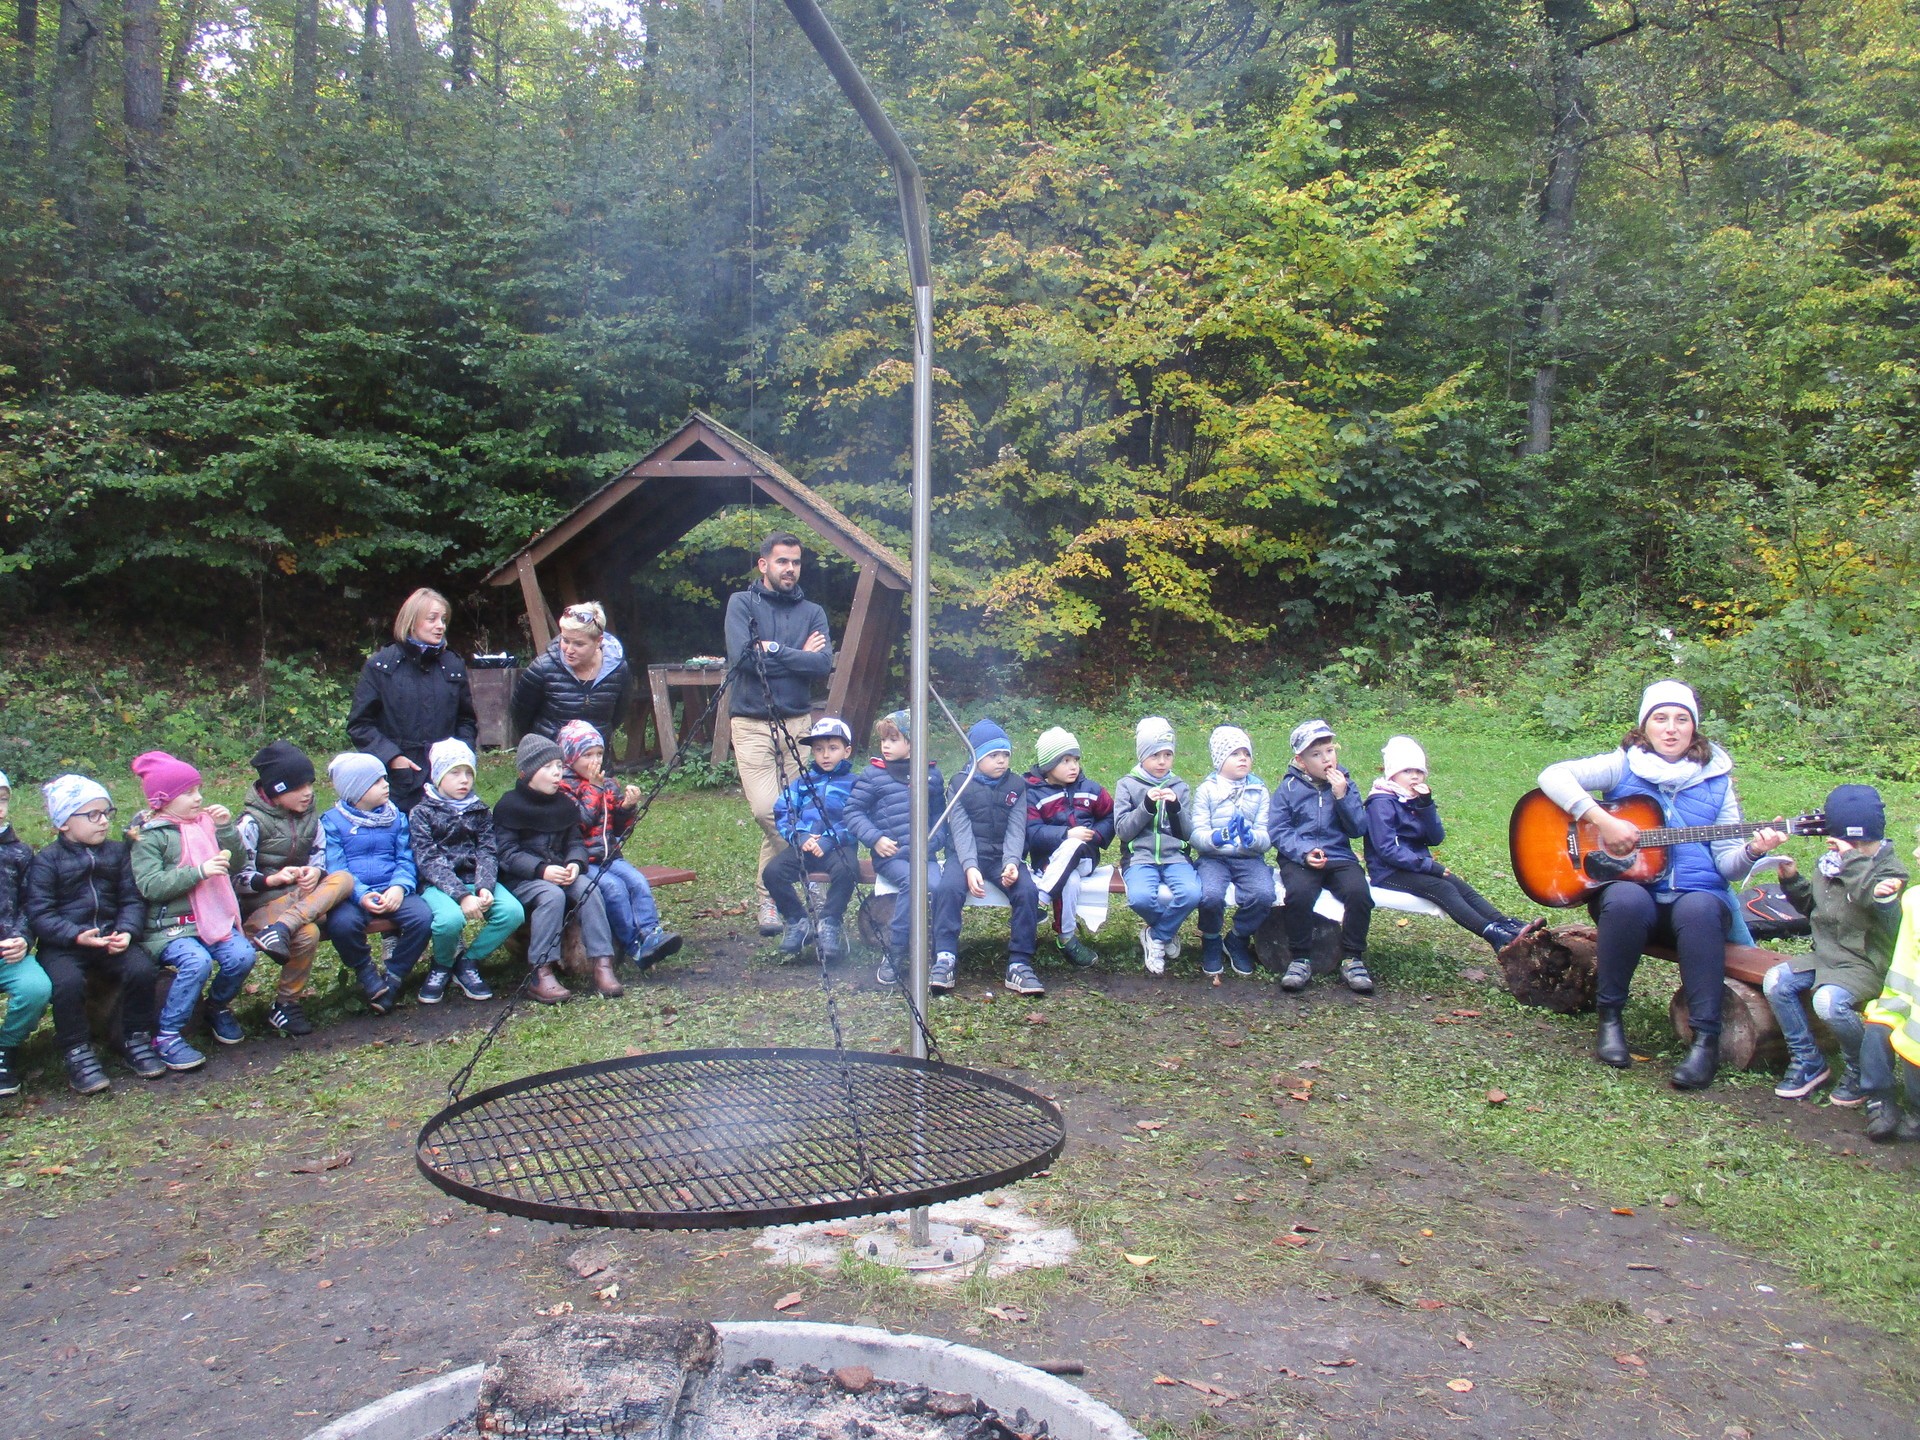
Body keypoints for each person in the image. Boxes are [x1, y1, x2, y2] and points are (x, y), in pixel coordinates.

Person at [1538, 679, 1785, 1090]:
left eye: (1681, 719)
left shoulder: (1717, 780)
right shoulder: (1622, 765)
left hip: (1694, 902)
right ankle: (1610, 1019)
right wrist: (1602, 820)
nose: (1671, 728)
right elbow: (1553, 775)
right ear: (1645, 725)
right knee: (1626, 899)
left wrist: (1753, 851)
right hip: (1636, 903)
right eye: (1661, 718)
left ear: (1694, 727)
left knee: (1700, 908)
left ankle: (1705, 1040)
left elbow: (1727, 865)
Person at [1763, 785, 1906, 1103]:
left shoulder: (1890, 871)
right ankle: (1808, 1060)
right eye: (1847, 842)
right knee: (1776, 981)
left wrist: (1850, 857)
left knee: (1828, 1002)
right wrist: (1791, 879)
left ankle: (1861, 1069)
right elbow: (1814, 910)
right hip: (1827, 957)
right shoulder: (1829, 864)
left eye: (1860, 843)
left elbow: (1868, 895)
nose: (1851, 849)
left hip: (1866, 963)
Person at [25, 775, 164, 1093]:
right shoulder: (47, 861)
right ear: (64, 823)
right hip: (63, 945)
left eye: (106, 813)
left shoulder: (117, 854)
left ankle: (136, 1038)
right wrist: (75, 935)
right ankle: (77, 1050)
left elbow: (132, 899)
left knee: (142, 969)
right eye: (93, 815)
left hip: (110, 939)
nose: (103, 821)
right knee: (67, 983)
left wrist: (126, 931)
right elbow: (40, 914)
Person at [725, 533, 834, 935]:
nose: (790, 569)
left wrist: (773, 650)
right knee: (766, 809)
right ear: (763, 564)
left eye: (796, 562)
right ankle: (814, 872)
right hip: (751, 722)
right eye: (782, 561)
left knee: (796, 809)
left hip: (798, 725)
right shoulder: (742, 603)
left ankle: (769, 900)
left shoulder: (812, 611)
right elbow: (743, 659)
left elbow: (822, 664)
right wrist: (799, 654)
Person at [127, 751, 257, 1067]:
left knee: (242, 955)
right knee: (196, 962)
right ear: (163, 799)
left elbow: (236, 864)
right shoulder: (150, 837)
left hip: (212, 918)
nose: (198, 798)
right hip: (168, 927)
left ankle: (217, 1006)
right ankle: (168, 1034)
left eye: (198, 790)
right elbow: (150, 886)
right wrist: (198, 872)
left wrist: (225, 829)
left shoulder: (205, 825)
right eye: (187, 793)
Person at [1364, 735, 1536, 953]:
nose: (1415, 777)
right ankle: (1493, 934)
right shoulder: (1381, 803)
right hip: (1388, 871)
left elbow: (1435, 838)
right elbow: (1386, 850)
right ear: (1392, 774)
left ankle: (1506, 923)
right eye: (1407, 771)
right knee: (1443, 888)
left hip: (1413, 865)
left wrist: (1425, 806)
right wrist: (1429, 866)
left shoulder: (1412, 799)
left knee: (1459, 885)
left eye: (1419, 771)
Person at [234, 740, 357, 1038]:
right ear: (276, 791)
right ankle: (286, 1005)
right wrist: (270, 880)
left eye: (310, 784)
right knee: (309, 932)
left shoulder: (311, 819)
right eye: (298, 787)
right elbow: (235, 878)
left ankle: (283, 928)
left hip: (299, 903)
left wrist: (315, 872)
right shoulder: (250, 823)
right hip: (261, 908)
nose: (308, 792)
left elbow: (319, 857)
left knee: (342, 878)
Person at [495, 733, 620, 1003]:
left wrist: (575, 863)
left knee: (588, 888)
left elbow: (575, 842)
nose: (556, 773)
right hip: (523, 880)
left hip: (560, 872)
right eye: (548, 767)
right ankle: (541, 971)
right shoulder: (509, 806)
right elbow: (506, 853)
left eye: (559, 766)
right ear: (527, 772)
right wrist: (541, 870)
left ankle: (602, 963)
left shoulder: (563, 804)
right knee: (551, 896)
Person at [556, 719, 681, 972]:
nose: (595, 761)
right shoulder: (565, 788)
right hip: (583, 861)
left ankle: (651, 933)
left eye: (599, 754)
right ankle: (634, 945)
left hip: (610, 855)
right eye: (587, 755)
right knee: (614, 889)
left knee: (637, 882)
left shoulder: (608, 784)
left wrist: (626, 807)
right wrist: (593, 788)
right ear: (570, 757)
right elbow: (581, 822)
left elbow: (618, 827)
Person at [409, 739, 522, 1005]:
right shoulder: (421, 813)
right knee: (449, 921)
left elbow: (487, 851)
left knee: (512, 912)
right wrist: (462, 896)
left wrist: (484, 887)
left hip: (475, 880)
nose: (464, 780)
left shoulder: (479, 810)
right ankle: (442, 965)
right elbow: (429, 860)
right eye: (455, 773)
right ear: (438, 776)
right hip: (438, 885)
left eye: (469, 773)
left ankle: (468, 961)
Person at [320, 752, 434, 1015]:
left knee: (423, 918)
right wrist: (360, 895)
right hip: (352, 894)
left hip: (392, 888)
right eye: (377, 781)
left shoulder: (396, 817)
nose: (386, 784)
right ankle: (367, 973)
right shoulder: (333, 822)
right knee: (342, 925)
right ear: (356, 790)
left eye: (385, 778)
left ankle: (394, 976)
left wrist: (399, 887)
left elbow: (406, 858)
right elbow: (336, 867)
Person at [935, 719, 1042, 996]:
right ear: (976, 757)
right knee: (948, 889)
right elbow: (960, 830)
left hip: (1001, 857)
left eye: (1005, 754)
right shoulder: (959, 784)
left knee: (1027, 891)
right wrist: (970, 867)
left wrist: (1011, 863)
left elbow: (1017, 828)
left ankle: (1020, 963)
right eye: (993, 755)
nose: (1001, 761)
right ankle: (944, 957)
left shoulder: (1017, 786)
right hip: (964, 856)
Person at [347, 587, 479, 812]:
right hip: (398, 781)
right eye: (432, 619)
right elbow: (360, 725)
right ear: (411, 622)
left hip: (446, 781)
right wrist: (392, 757)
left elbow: (466, 721)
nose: (440, 626)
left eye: (443, 619)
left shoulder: (452, 665)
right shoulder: (381, 666)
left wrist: (460, 761)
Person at [1270, 721, 1374, 996]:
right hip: (1299, 858)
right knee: (1300, 894)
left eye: (1329, 750)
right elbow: (1279, 830)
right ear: (1301, 761)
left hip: (1338, 854)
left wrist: (1342, 796)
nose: (1326, 758)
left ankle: (1353, 958)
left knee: (1359, 893)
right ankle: (1300, 958)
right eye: (1316, 754)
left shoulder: (1346, 784)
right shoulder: (1288, 788)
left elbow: (1358, 828)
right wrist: (1304, 853)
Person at [846, 710, 946, 989]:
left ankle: (939, 952)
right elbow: (853, 812)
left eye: (893, 739)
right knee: (913, 882)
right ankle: (896, 951)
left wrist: (933, 841)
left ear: (913, 742)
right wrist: (876, 839)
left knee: (939, 887)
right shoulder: (873, 774)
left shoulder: (931, 775)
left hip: (923, 855)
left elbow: (940, 817)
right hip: (891, 857)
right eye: (883, 740)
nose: (886, 745)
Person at [766, 717, 861, 964]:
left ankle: (830, 922)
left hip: (838, 847)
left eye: (833, 748)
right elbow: (783, 812)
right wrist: (800, 836)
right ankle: (798, 921)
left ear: (847, 751)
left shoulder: (855, 784)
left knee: (848, 870)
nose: (825, 755)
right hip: (806, 846)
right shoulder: (802, 783)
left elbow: (859, 818)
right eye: (819, 749)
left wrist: (830, 839)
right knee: (773, 872)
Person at [1023, 727, 1115, 971]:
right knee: (1070, 880)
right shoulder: (1034, 795)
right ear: (1048, 765)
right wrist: (1065, 834)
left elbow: (1110, 816)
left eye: (1075, 760)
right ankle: (1066, 938)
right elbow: (1032, 832)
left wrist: (1096, 835)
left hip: (1086, 858)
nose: (1073, 766)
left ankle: (1040, 900)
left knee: (1075, 845)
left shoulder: (1091, 790)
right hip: (1048, 862)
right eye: (1065, 761)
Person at [1115, 717, 1200, 977]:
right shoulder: (1127, 785)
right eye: (1155, 755)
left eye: (1167, 755)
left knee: (1192, 893)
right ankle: (1167, 933)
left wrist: (1175, 808)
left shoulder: (1179, 787)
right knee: (1139, 898)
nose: (1162, 762)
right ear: (1142, 756)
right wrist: (1146, 807)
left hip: (1176, 857)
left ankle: (1156, 935)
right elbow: (1123, 830)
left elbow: (1187, 833)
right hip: (1139, 857)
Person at [1189, 725, 1274, 985]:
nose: (1243, 759)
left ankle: (1237, 938)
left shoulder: (1259, 790)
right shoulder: (1207, 790)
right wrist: (1216, 838)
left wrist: (1253, 839)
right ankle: (1211, 939)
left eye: (1246, 754)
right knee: (1211, 895)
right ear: (1219, 759)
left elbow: (1267, 834)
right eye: (1235, 754)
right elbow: (1196, 833)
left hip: (1249, 858)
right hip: (1213, 858)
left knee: (1263, 894)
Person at [1862, 828, 1920, 1143]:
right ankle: (1880, 1102)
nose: (1916, 853)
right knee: (1877, 1028)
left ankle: (1916, 1113)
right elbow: (1902, 949)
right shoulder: (1914, 899)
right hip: (1906, 999)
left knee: (1914, 1046)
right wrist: (1886, 903)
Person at [509, 600, 635, 744]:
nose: (569, 650)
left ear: (598, 641)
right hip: (550, 754)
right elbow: (520, 715)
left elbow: (619, 714)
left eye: (579, 644)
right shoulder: (542, 668)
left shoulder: (618, 671)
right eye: (565, 640)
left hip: (596, 756)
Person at [0, 772, 52, 1097]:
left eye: (3, 799)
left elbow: (30, 904)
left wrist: (22, 938)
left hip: (8, 952)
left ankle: (6, 1047)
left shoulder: (19, 853)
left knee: (35, 988)